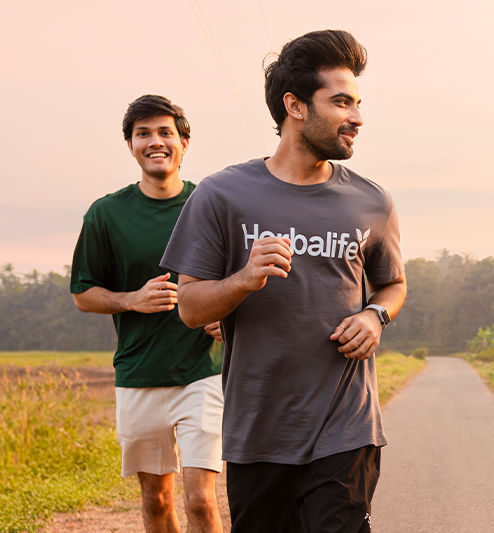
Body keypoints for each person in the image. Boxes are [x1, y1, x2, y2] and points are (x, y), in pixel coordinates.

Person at [160, 29, 406, 533]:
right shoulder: (221, 195)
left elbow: (392, 285)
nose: (357, 118)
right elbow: (189, 306)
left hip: (347, 428)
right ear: (294, 106)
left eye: (357, 103)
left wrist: (375, 315)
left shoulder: (372, 201)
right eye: (341, 102)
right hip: (259, 434)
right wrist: (244, 279)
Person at [70, 94, 224, 533]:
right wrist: (130, 299)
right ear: (131, 145)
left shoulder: (210, 205)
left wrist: (226, 317)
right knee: (156, 502)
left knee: (199, 501)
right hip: (139, 374)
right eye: (143, 134)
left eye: (165, 132)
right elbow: (83, 294)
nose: (155, 141)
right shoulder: (106, 213)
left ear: (184, 142)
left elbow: (242, 280)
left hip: (202, 373)